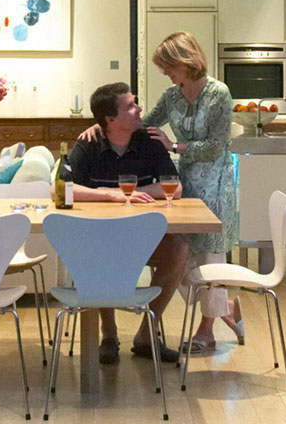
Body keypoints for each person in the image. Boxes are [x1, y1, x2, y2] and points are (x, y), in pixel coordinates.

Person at [76, 32, 242, 353]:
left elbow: (217, 145)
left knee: (209, 256)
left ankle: (207, 329)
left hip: (215, 183)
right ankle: (226, 310)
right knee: (186, 260)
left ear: (185, 62)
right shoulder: (172, 96)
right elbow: (140, 122)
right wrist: (101, 125)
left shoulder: (218, 94)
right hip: (184, 181)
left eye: (168, 66)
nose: (165, 73)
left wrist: (174, 146)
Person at [62, 81, 188, 366]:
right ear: (110, 119)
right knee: (93, 252)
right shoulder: (89, 143)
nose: (139, 108)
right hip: (101, 236)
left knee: (179, 248)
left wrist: (129, 194)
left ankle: (147, 333)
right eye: (130, 105)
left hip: (144, 237)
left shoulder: (149, 141)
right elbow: (61, 189)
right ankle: (108, 334)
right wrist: (110, 194)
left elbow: (175, 187)